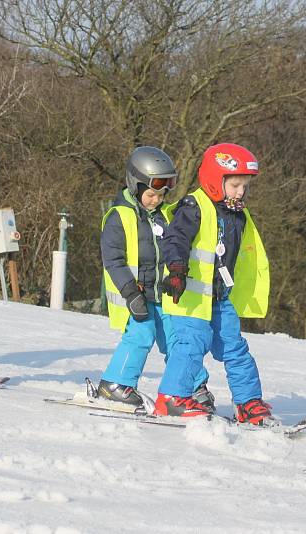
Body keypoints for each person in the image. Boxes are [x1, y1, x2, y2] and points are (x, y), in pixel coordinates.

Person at [154, 143, 274, 426]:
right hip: (189, 294)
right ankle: (171, 398)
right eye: (234, 185)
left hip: (219, 297)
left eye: (244, 186)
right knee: (191, 345)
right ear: (214, 179)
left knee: (235, 348)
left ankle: (248, 403)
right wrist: (177, 269)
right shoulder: (194, 206)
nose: (240, 192)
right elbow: (175, 238)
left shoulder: (237, 214)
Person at [98, 146, 212, 409]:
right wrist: (130, 293)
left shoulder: (165, 215)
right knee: (141, 334)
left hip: (163, 294)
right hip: (136, 294)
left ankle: (193, 387)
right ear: (135, 186)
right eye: (150, 194)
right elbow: (113, 261)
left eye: (161, 194)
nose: (156, 200)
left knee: (178, 339)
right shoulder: (119, 216)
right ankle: (116, 383)